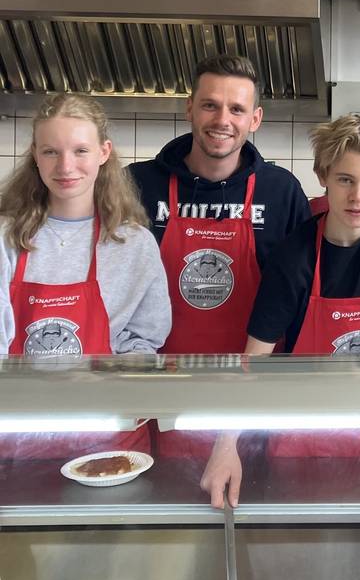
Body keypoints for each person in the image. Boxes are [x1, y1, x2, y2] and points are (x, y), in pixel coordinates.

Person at [201, 113, 360, 507]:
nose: (358, 196)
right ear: (323, 176)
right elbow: (254, 358)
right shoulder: (296, 255)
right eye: (345, 180)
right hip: (302, 436)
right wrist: (225, 445)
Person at [0, 94, 171, 456]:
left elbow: (143, 341)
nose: (65, 166)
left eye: (80, 150)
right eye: (51, 151)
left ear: (103, 152)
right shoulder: (6, 238)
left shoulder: (133, 244)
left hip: (107, 435)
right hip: (19, 434)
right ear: (35, 153)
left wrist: (114, 386)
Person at [128, 54, 311, 356]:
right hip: (156, 376)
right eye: (210, 105)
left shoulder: (281, 191)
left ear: (255, 119)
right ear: (190, 108)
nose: (222, 120)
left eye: (237, 110)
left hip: (254, 378)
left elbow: (301, 294)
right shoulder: (137, 185)